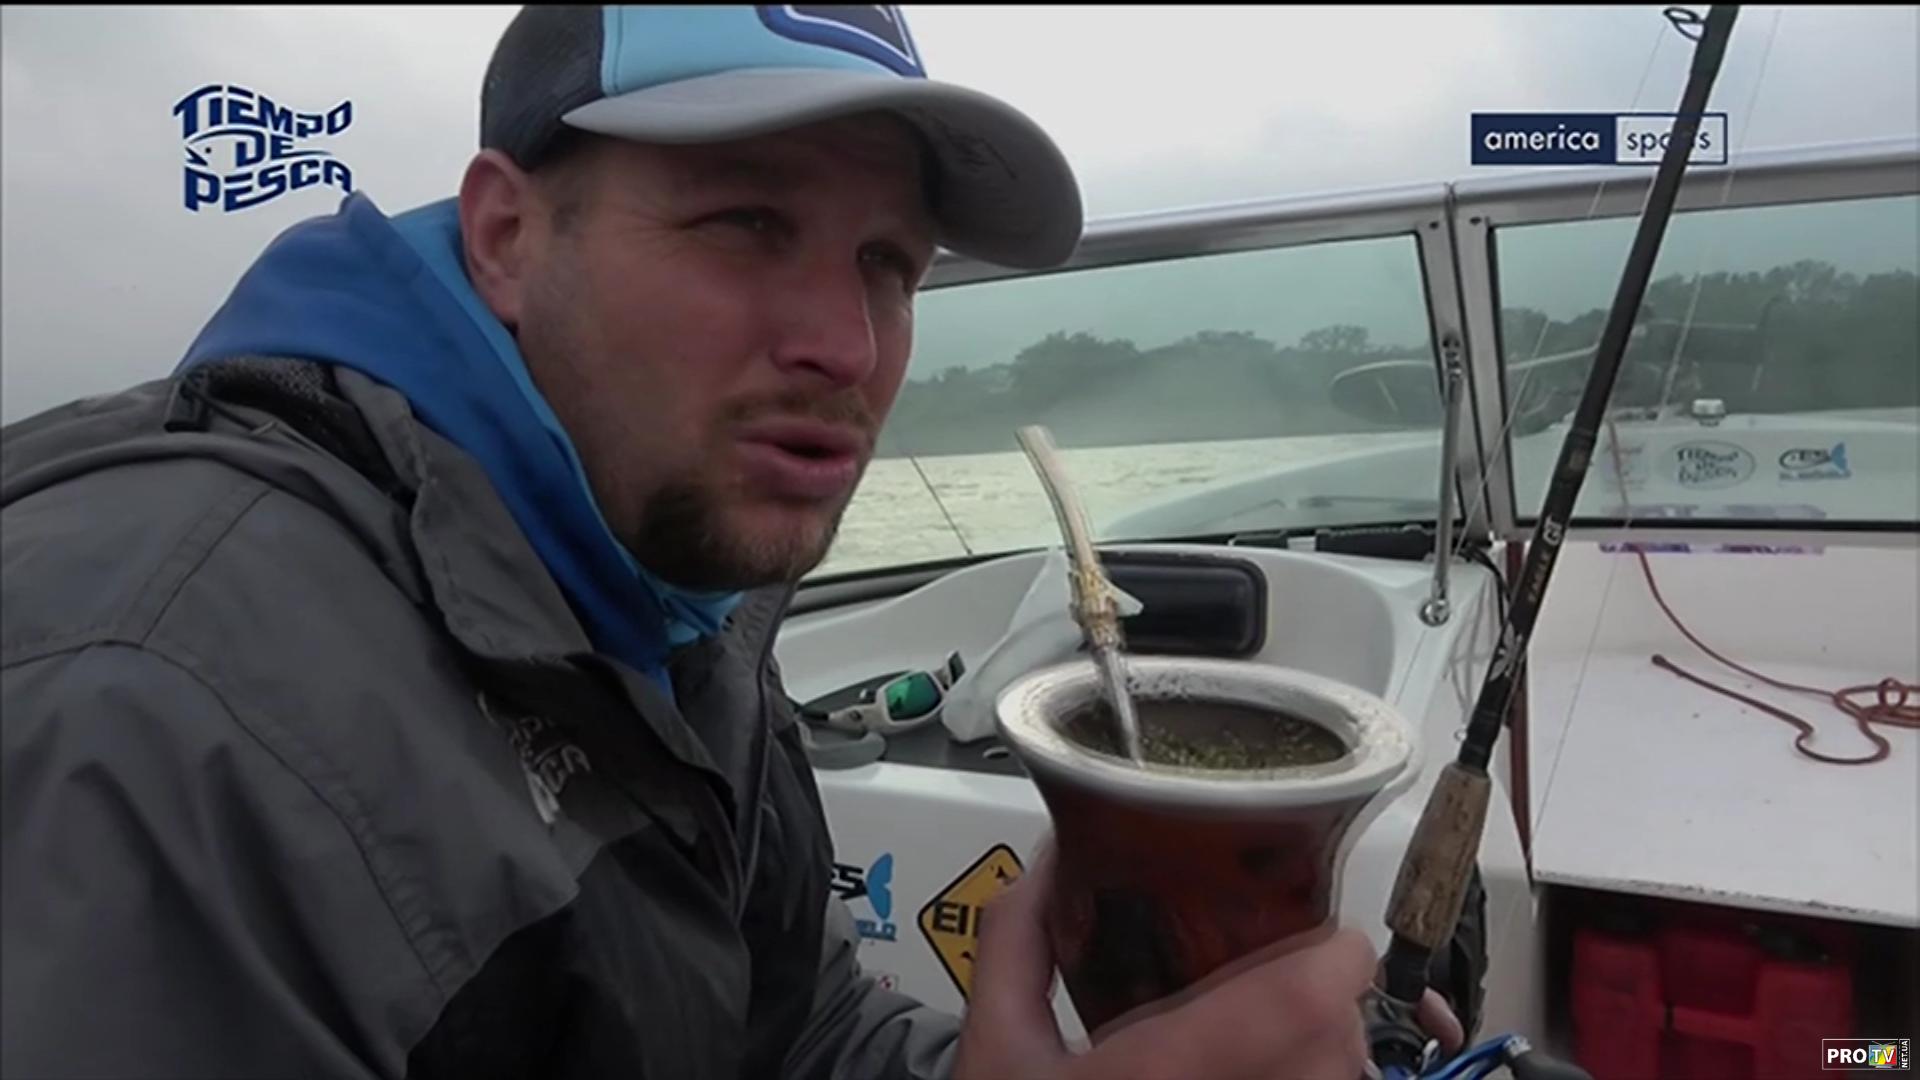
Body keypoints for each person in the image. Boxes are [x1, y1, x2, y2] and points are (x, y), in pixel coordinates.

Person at [0, 5, 1460, 1078]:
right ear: (508, 238)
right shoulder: (159, 725)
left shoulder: (669, 593)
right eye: (747, 223)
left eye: (887, 262)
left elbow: (784, 1033)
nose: (848, 346)